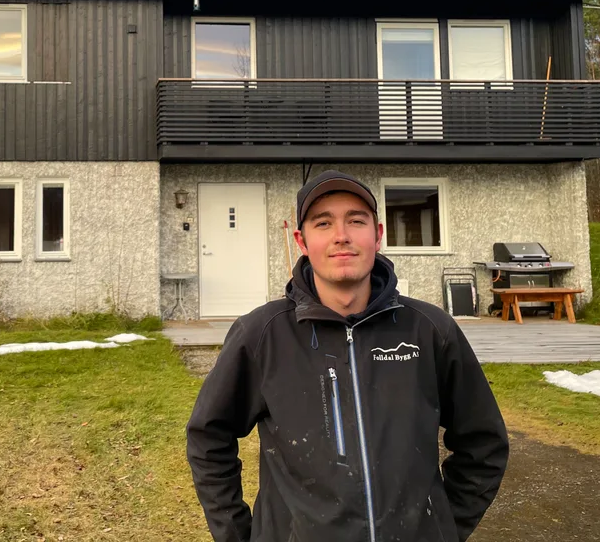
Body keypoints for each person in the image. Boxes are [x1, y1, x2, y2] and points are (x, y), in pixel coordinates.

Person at [186, 170, 509, 541]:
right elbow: (208, 437)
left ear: (378, 235)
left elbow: (483, 442)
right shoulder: (261, 336)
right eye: (323, 223)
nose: (341, 235)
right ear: (302, 240)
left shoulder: (431, 330)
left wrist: (441, 529)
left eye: (356, 221)